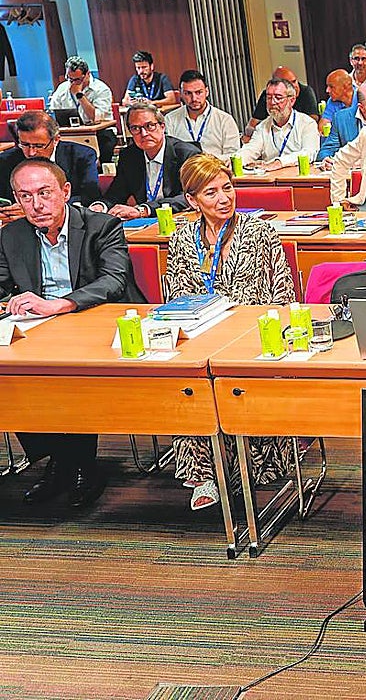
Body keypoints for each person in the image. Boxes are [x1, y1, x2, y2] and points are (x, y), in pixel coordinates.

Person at [1, 159, 144, 507]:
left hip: (98, 322)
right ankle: (57, 460)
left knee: (69, 376)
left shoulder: (101, 226)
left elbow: (113, 281)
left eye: (44, 193)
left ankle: (82, 467)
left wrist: (59, 304)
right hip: (37, 327)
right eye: (25, 197)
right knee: (12, 375)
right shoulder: (12, 234)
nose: (36, 205)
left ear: (65, 192)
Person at [162, 154, 295, 511]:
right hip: (201, 333)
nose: (224, 198)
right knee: (185, 381)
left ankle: (243, 467)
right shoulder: (180, 238)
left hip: (252, 335)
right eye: (211, 193)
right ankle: (204, 472)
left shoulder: (259, 231)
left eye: (228, 188)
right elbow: (175, 296)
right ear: (192, 200)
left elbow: (282, 291)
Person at [91, 102, 200, 218]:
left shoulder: (187, 154)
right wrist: (100, 206)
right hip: (144, 223)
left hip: (180, 218)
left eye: (149, 126)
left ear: (162, 127)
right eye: (135, 128)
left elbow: (190, 196)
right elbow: (116, 193)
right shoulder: (129, 156)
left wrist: (145, 210)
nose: (144, 133)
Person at [0, 110, 99, 211]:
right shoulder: (5, 160)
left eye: (39, 146)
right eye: (25, 145)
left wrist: (39, 209)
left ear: (56, 140)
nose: (31, 153)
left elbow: (89, 196)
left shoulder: (82, 155)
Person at [47, 56, 117, 163]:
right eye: (70, 79)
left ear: (87, 74)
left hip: (99, 132)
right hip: (71, 133)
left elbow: (95, 118)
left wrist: (80, 96)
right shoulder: (63, 88)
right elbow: (53, 112)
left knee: (106, 143)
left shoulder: (101, 89)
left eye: (77, 80)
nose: (73, 83)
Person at [240, 77, 320, 170]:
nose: (272, 102)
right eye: (269, 98)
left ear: (291, 100)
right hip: (270, 178)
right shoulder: (262, 127)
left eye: (278, 98)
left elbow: (309, 153)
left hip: (298, 178)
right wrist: (235, 160)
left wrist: (280, 163)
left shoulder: (307, 123)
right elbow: (251, 150)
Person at [164, 70, 241, 160]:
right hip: (184, 171)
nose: (194, 98)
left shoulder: (224, 119)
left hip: (216, 170)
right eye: (188, 93)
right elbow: (169, 154)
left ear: (206, 91)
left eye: (198, 92)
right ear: (181, 94)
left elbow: (233, 155)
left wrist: (206, 161)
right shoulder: (170, 119)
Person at [243, 67, 320, 140]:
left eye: (294, 81)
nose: (294, 86)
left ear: (292, 100)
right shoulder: (267, 95)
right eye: (269, 98)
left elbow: (312, 119)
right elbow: (252, 124)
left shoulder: (305, 92)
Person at [318, 80, 366, 162]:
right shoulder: (341, 119)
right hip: (353, 172)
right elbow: (326, 151)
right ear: (362, 108)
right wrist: (326, 160)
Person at [318, 69, 357, 136]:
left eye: (331, 87)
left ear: (345, 87)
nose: (327, 90)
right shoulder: (332, 101)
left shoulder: (362, 97)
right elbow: (322, 128)